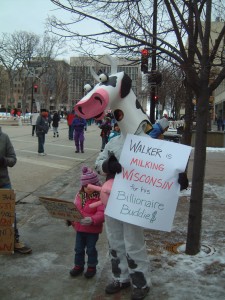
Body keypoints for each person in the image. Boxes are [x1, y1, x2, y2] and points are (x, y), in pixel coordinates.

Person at [68, 166, 104, 279]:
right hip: (79, 228)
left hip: (92, 230)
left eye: (90, 186)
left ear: (95, 185)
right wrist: (70, 217)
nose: (87, 188)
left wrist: (93, 219)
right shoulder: (79, 195)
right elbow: (75, 208)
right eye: (84, 186)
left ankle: (91, 266)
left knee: (90, 249)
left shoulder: (100, 198)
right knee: (78, 249)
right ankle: (78, 265)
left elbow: (102, 213)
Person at [0, 126, 32, 254]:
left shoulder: (4, 138)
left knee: (9, 214)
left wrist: (3, 160)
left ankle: (14, 240)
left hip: (3, 183)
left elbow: (13, 160)